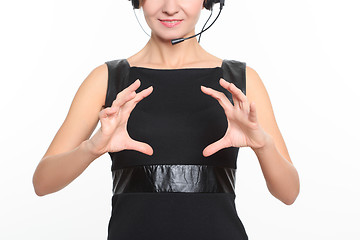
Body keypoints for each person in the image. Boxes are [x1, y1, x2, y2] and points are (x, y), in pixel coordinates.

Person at [32, 0, 300, 239]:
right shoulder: (107, 80)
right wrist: (92, 148)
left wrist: (262, 145)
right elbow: (42, 183)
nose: (170, 7)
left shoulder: (239, 80)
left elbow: (289, 193)